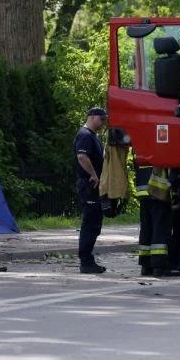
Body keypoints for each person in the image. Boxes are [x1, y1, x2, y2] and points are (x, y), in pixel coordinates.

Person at [74, 107, 109, 274]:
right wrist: (93, 174)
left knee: (94, 223)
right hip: (89, 185)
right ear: (92, 117)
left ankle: (88, 260)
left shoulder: (92, 136)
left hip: (94, 187)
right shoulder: (85, 135)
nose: (103, 124)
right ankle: (86, 262)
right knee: (90, 223)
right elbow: (82, 156)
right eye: (101, 120)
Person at [134, 164, 173, 277]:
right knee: (160, 228)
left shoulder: (140, 146)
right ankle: (159, 266)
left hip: (143, 190)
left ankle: (145, 266)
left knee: (146, 228)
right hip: (158, 190)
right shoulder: (159, 145)